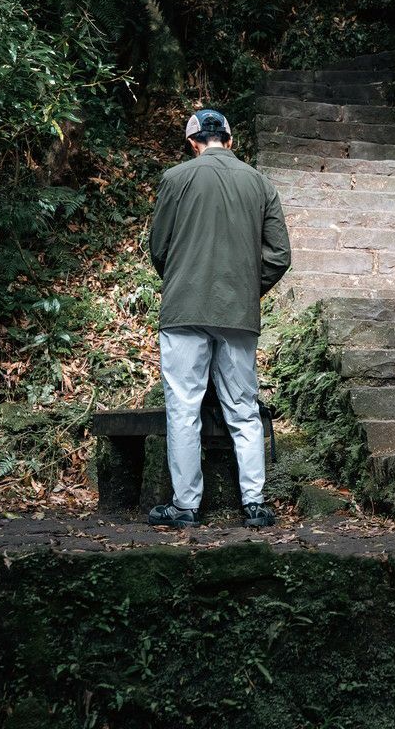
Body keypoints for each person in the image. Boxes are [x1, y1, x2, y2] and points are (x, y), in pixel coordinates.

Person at [147, 109, 291, 529]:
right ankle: (255, 504)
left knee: (183, 407)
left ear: (193, 143)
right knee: (243, 408)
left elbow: (159, 246)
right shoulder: (260, 184)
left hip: (184, 309)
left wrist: (182, 280)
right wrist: (245, 290)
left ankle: (185, 506)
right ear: (230, 140)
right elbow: (279, 255)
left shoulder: (175, 178)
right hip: (237, 313)